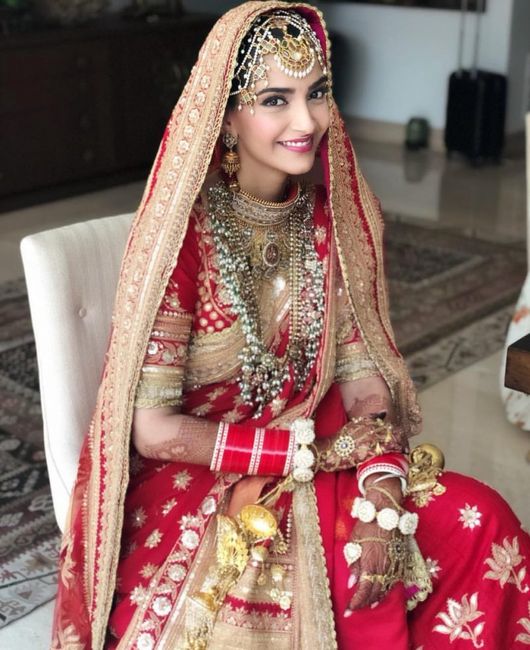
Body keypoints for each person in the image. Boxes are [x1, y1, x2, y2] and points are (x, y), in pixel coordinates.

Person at [51, 3, 530, 648]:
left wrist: (381, 484)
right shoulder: (184, 242)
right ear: (226, 116)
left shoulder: (332, 221)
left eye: (317, 93)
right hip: (204, 481)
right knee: (293, 584)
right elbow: (154, 430)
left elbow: (361, 372)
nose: (306, 121)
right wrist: (309, 456)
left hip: (335, 451)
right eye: (275, 99)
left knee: (482, 521)